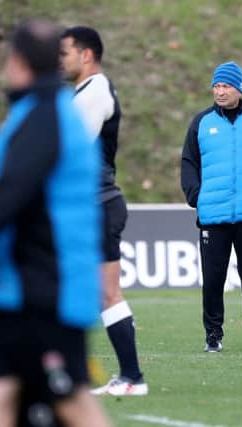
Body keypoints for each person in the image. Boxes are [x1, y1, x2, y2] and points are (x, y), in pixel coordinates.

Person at [0, 19, 111, 427]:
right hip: (23, 292)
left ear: (16, 62)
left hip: (42, 295)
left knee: (70, 403)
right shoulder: (42, 114)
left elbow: (6, 201)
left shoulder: (45, 120)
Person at [59, 26, 147, 397]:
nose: (58, 60)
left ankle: (128, 377)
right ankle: (129, 376)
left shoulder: (94, 93)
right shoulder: (82, 93)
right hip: (95, 205)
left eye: (64, 53)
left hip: (96, 205)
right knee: (102, 293)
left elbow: (66, 149)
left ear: (86, 55)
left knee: (103, 293)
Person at [181, 61, 242, 353]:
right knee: (213, 279)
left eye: (226, 86)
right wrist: (196, 196)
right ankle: (213, 335)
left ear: (239, 89)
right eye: (216, 86)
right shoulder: (201, 123)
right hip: (213, 214)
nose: (220, 91)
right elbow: (189, 163)